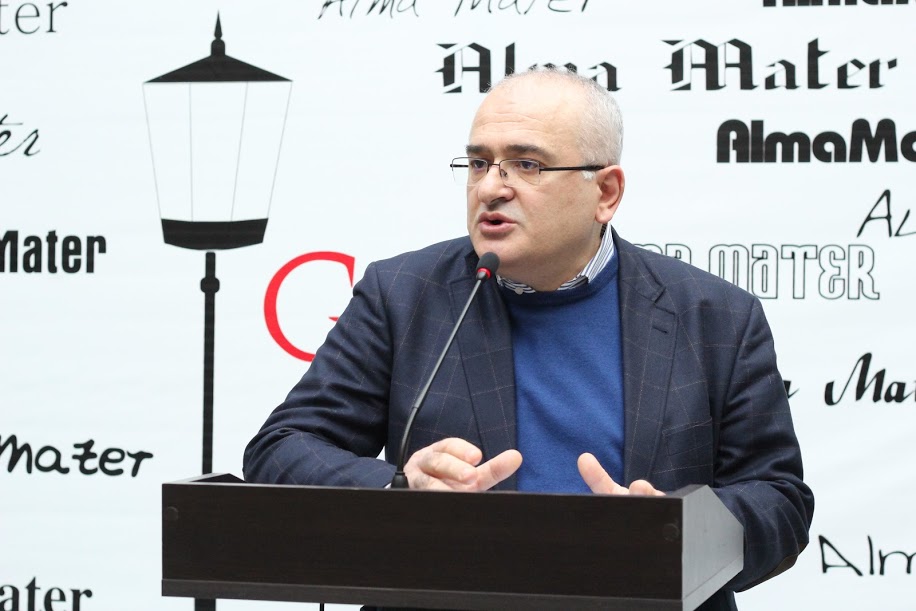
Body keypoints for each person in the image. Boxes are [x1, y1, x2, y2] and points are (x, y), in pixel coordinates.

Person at [244, 68, 814, 609]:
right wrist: (400, 489)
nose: (491, 188)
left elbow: (779, 500)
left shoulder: (715, 316)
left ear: (606, 192)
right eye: (478, 163)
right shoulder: (403, 296)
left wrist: (681, 532)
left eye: (527, 164)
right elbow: (282, 448)